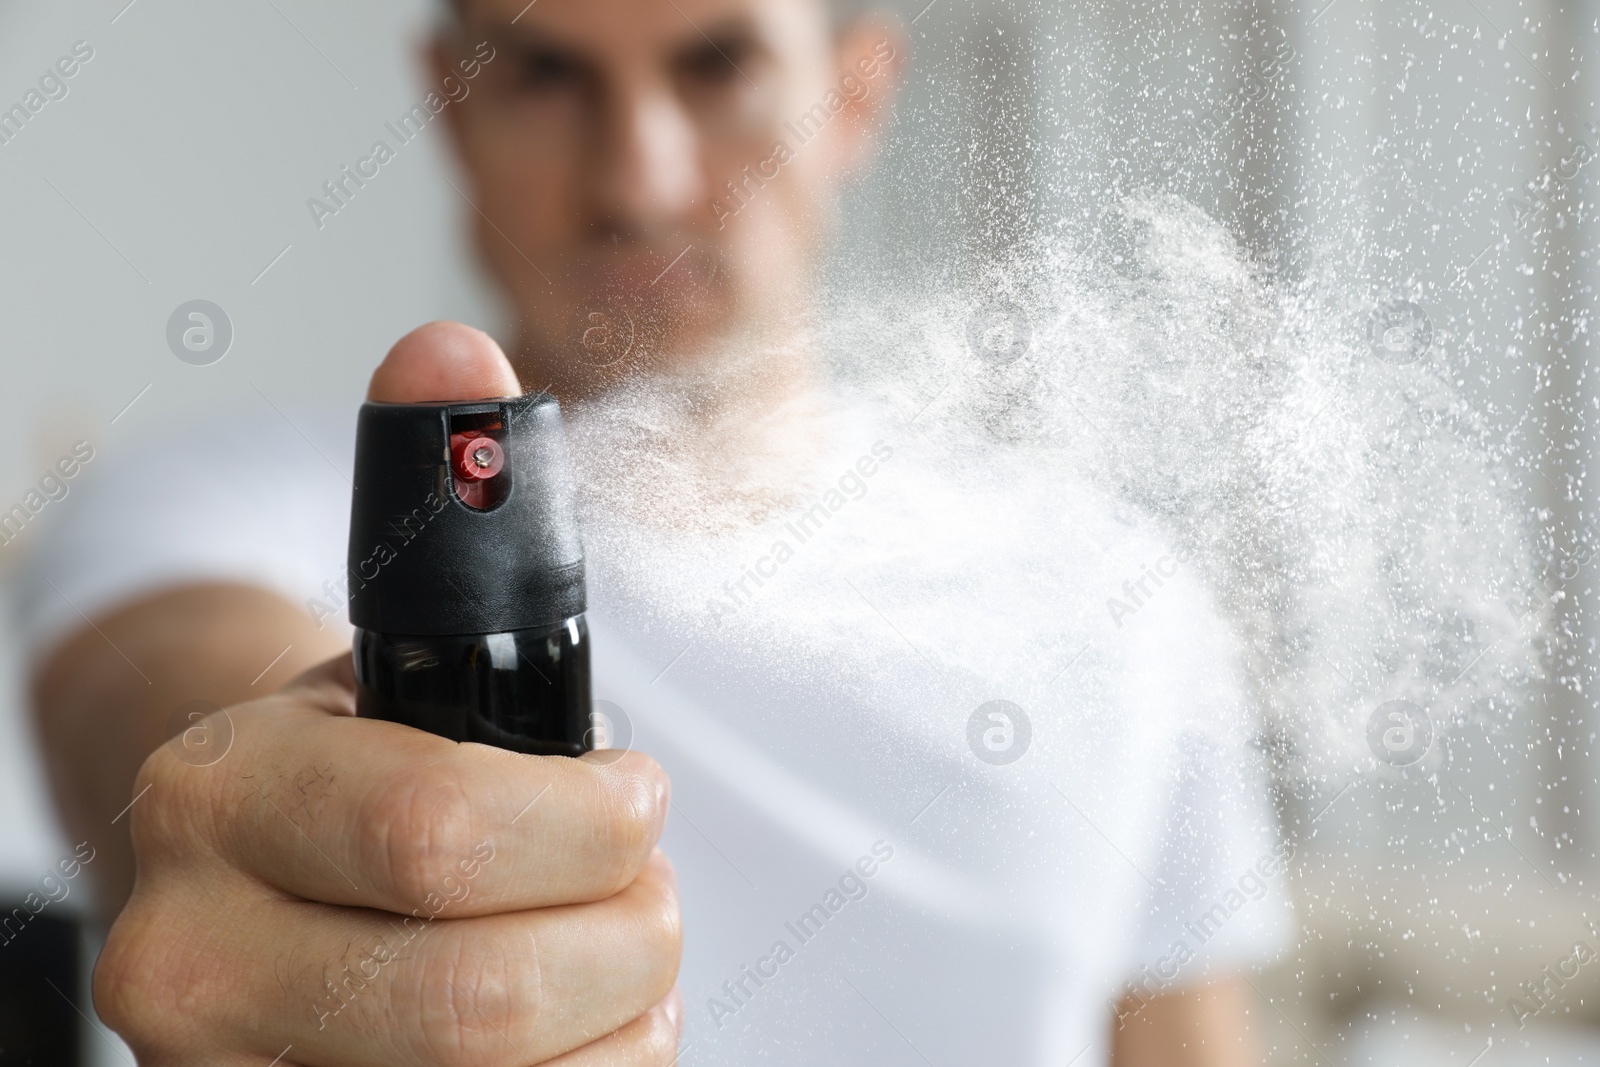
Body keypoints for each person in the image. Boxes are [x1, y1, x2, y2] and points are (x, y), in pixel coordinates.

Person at [22, 0, 1291, 1063]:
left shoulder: (1112, 593)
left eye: (718, 65)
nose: (639, 179)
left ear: (853, 96)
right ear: (455, 108)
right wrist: (280, 836)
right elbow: (174, 715)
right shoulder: (221, 500)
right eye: (547, 75)